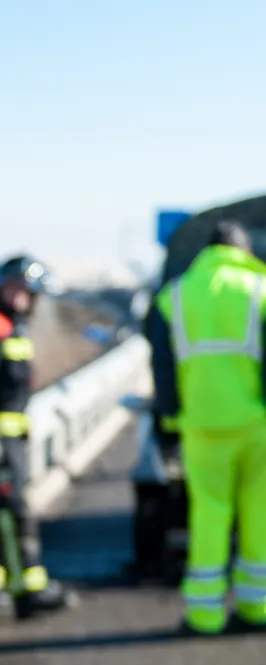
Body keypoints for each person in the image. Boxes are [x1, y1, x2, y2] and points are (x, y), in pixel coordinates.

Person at [149, 219, 266, 635]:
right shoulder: (259, 290)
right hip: (258, 426)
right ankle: (257, 609)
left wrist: (168, 419)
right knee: (260, 515)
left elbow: (161, 367)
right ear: (244, 250)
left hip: (201, 425)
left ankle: (205, 615)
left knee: (210, 515)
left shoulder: (174, 296)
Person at [0, 254, 70, 617]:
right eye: (21, 291)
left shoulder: (11, 328)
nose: (26, 299)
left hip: (8, 441)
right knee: (14, 513)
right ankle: (27, 590)